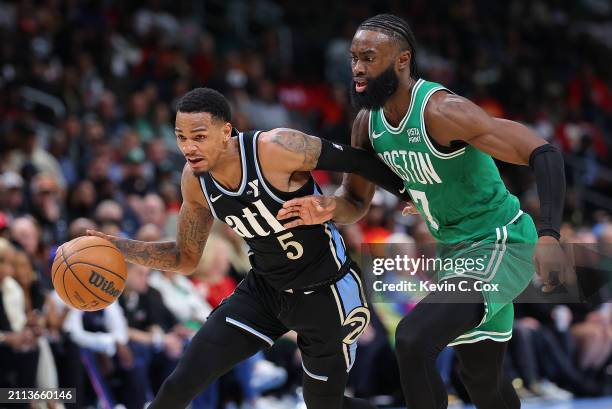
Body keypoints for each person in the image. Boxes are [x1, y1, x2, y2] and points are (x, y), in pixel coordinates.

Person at [276, 14, 570, 409]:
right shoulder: (367, 124)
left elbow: (542, 151)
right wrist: (327, 208)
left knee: (413, 338)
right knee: (481, 380)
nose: (357, 68)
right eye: (354, 58)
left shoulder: (442, 110)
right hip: (453, 251)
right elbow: (356, 203)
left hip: (501, 242)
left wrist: (550, 233)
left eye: (368, 57)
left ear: (402, 60)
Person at [82, 87, 412, 409]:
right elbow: (184, 258)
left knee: (323, 404)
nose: (188, 147)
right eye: (181, 137)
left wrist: (410, 195)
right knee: (181, 381)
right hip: (264, 291)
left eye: (199, 136)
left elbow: (358, 161)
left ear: (225, 131)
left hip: (324, 292)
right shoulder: (194, 181)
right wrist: (118, 247)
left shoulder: (276, 147)